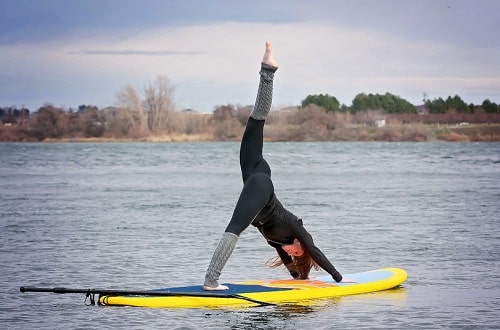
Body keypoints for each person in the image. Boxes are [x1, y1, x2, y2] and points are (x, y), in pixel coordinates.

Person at [204, 41, 352, 290]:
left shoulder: (277, 244)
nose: (293, 253)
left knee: (255, 122)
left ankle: (267, 70)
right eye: (297, 252)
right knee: (234, 228)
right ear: (300, 243)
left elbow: (292, 269)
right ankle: (211, 280)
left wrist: (299, 281)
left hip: (254, 174)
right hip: (261, 186)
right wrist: (339, 278)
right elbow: (316, 252)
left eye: (293, 255)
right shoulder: (296, 228)